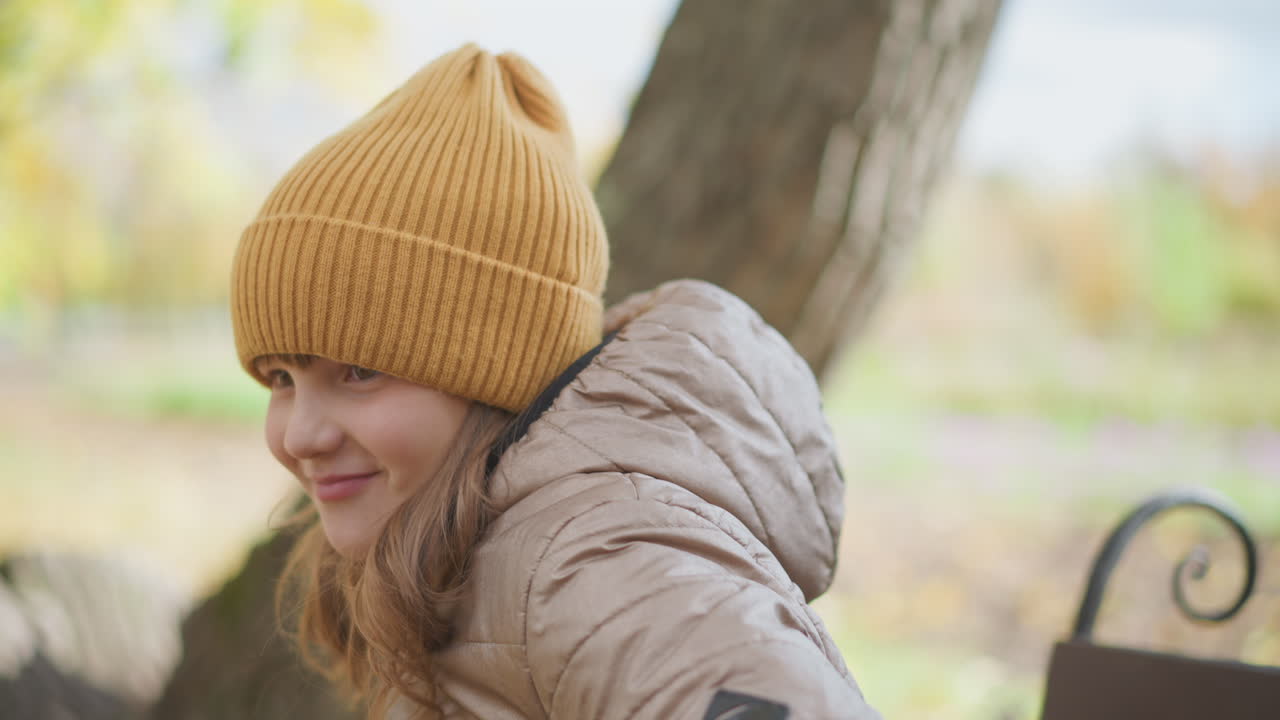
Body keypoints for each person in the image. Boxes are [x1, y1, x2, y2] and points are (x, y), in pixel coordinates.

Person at [230, 43, 880, 720]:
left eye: (360, 371)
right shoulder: (462, 552)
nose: (299, 436)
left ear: (492, 367)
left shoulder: (599, 566)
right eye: (281, 378)